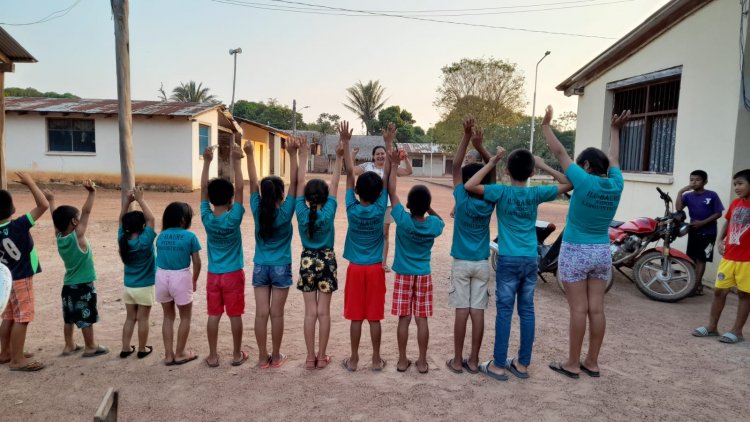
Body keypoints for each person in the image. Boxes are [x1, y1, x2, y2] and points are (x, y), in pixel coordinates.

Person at [465, 149, 572, 381]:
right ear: (531, 171)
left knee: (504, 312)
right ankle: (522, 364)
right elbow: (569, 183)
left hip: (508, 260)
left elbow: (470, 185)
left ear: (507, 171)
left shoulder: (500, 192)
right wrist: (545, 166)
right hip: (530, 259)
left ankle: (498, 365)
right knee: (527, 311)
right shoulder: (535, 194)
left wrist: (491, 161)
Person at [543, 105, 630, 379]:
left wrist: (546, 126)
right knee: (597, 309)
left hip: (576, 250)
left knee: (578, 309)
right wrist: (616, 131)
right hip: (602, 252)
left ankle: (572, 363)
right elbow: (615, 159)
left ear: (587, 166)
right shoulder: (616, 184)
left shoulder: (583, 181)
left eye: (581, 165)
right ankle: (592, 362)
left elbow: (560, 153)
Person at [341, 124, 395, 372]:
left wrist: (346, 144)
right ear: (378, 194)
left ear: (357, 192)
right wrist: (389, 143)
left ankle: (353, 360)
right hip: (375, 269)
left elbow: (349, 178)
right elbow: (386, 178)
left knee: (356, 317)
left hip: (355, 269)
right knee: (374, 317)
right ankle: (375, 359)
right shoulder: (378, 208)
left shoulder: (352, 209)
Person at [446, 116, 497, 375]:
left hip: (461, 263)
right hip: (481, 262)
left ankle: (457, 361)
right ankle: (474, 361)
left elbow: (455, 165)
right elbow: (493, 174)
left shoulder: (461, 197)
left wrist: (467, 137)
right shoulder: (489, 199)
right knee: (478, 312)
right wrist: (483, 149)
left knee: (461, 311)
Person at [387, 148, 445, 374]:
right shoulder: (432, 225)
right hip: (423, 274)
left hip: (403, 274)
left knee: (404, 318)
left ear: (409, 205)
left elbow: (391, 190)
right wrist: (428, 206)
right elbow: (439, 220)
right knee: (422, 319)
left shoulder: (402, 219)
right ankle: (422, 361)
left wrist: (393, 165)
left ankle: (402, 360)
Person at [295, 123, 346, 370]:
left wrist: (302, 156)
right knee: (323, 312)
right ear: (326, 196)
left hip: (307, 260)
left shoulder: (300, 210)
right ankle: (322, 356)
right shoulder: (329, 210)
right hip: (327, 260)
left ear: (305, 197)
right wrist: (338, 158)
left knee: (309, 313)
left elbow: (298, 182)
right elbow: (336, 181)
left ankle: (309, 356)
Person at [246, 136, 299, 369]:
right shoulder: (286, 211)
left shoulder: (258, 209)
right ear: (280, 194)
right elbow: (297, 183)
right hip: (281, 266)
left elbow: (252, 183)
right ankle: (276, 356)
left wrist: (249, 155)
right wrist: (293, 154)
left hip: (261, 265)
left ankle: (261, 357)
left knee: (261, 314)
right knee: (277, 314)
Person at [46, 182, 108, 361]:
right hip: (83, 286)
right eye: (77, 218)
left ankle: (69, 345)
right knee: (85, 316)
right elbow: (87, 211)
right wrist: (92, 193)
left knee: (69, 317)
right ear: (74, 222)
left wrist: (51, 201)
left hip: (68, 286)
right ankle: (90, 346)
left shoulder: (59, 238)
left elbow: (55, 219)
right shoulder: (77, 237)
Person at [201, 144, 247, 367]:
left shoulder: (206, 218)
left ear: (210, 200)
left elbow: (203, 190)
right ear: (230, 200)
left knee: (214, 314)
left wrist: (207, 162)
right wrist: (237, 161)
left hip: (213, 275)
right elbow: (240, 191)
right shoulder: (234, 217)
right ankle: (237, 354)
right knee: (235, 315)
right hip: (233, 274)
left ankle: (212, 355)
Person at [692, 169, 750, 344]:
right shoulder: (736, 204)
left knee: (744, 295)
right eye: (735, 184)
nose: (736, 188)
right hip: (729, 257)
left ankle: (737, 331)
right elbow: (728, 222)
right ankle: (712, 327)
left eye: (740, 183)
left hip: (747, 260)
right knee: (719, 291)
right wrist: (720, 240)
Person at [0, 172, 48, 371]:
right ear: (13, 208)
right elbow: (43, 205)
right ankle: (17, 359)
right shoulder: (19, 225)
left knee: (8, 316)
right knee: (23, 318)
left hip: (5, 279)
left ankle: (6, 352)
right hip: (21, 278)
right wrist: (30, 182)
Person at [352, 127, 413, 272]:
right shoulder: (367, 166)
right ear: (373, 156)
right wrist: (352, 155)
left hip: (385, 206)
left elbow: (408, 171)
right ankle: (370, 259)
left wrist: (405, 158)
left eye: (382, 154)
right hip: (369, 205)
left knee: (384, 234)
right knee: (371, 232)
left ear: (386, 156)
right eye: (377, 154)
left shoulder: (391, 168)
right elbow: (350, 170)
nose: (380, 156)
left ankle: (383, 263)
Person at [156, 202, 201, 365]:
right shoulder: (190, 237)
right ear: (183, 220)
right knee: (185, 317)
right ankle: (180, 353)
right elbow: (197, 262)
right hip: (181, 277)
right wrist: (194, 279)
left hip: (161, 276)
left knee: (167, 317)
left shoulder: (161, 236)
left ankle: (168, 355)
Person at [118, 187, 157, 360]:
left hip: (129, 287)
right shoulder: (145, 240)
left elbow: (121, 220)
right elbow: (152, 218)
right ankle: (142, 348)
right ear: (142, 226)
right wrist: (140, 199)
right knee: (143, 319)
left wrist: (127, 202)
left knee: (130, 318)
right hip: (145, 286)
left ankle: (125, 348)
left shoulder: (123, 239)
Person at [676, 170, 724, 296]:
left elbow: (718, 213)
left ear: (705, 181)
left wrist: (702, 223)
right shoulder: (687, 196)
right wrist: (680, 192)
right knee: (692, 259)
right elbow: (678, 208)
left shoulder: (712, 195)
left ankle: (694, 287)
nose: (694, 182)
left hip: (708, 233)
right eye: (691, 180)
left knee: (701, 260)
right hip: (693, 231)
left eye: (697, 180)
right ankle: (697, 285)